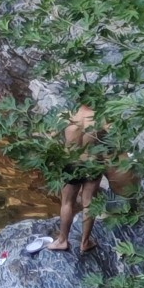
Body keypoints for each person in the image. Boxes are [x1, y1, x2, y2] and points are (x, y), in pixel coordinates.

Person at [50, 102, 101, 255]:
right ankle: (85, 242)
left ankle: (62, 240)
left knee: (67, 203)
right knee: (89, 203)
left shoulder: (66, 115)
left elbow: (50, 136)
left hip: (71, 163)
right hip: (92, 164)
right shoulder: (101, 117)